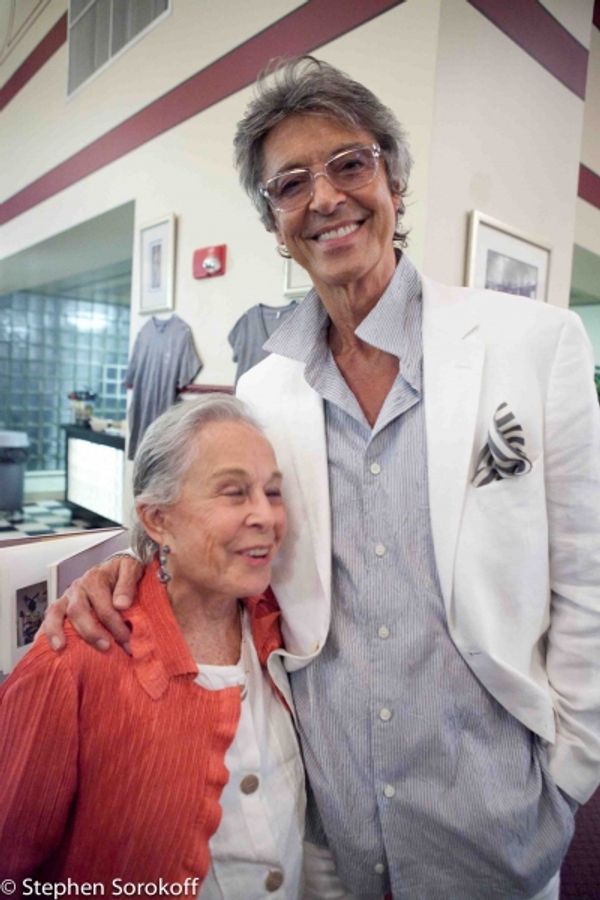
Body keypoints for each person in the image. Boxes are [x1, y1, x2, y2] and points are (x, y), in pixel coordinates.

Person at [44, 57, 600, 900]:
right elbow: (229, 527)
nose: (327, 198)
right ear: (274, 222)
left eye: (351, 163)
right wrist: (130, 562)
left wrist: (569, 774)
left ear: (395, 180)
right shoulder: (265, 387)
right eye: (290, 184)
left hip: (498, 819)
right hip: (333, 824)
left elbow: (586, 574)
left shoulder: (534, 343)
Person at [0, 396, 305, 897]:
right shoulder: (72, 662)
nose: (266, 516)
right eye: (233, 493)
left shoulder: (282, 625)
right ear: (158, 520)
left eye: (273, 492)